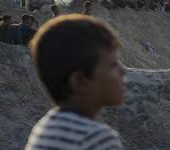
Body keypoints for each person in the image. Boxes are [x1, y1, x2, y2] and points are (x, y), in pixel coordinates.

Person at [25, 14, 125, 150]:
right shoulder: (96, 138)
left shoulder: (43, 128)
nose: (123, 71)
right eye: (113, 65)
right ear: (80, 81)